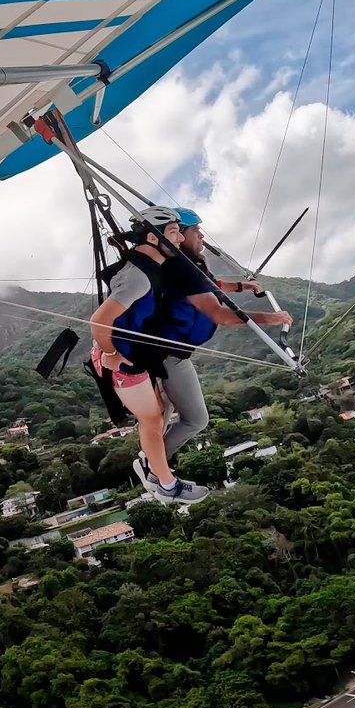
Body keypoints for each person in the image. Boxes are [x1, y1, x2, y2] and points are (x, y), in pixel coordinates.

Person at [130, 206, 292, 487]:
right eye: (195, 230)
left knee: (164, 415)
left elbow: (208, 285)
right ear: (178, 235)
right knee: (195, 419)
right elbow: (220, 314)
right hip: (169, 355)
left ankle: (152, 463)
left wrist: (242, 286)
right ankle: (153, 467)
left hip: (170, 352)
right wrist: (271, 318)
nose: (202, 236)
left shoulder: (187, 264)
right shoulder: (179, 268)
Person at [88, 206, 209, 504]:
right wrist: (110, 353)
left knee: (159, 413)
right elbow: (99, 321)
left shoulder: (152, 265)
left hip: (136, 354)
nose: (179, 239)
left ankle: (159, 473)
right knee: (152, 421)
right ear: (154, 238)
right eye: (173, 233)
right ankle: (166, 484)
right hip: (122, 359)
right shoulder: (138, 277)